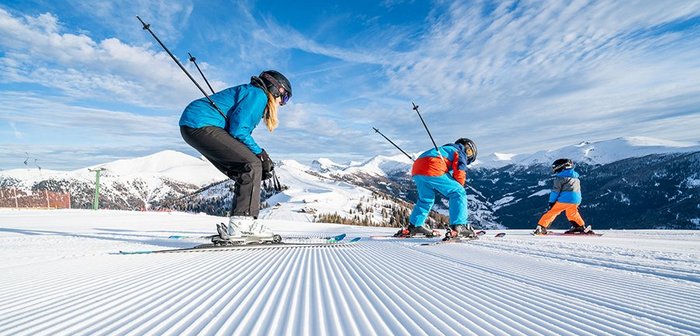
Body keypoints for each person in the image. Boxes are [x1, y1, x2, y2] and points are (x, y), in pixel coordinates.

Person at [179, 70, 292, 242]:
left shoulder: (253, 93)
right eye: (284, 98)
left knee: (245, 168)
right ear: (276, 89)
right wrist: (261, 154)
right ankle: (242, 224)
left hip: (194, 124)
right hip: (200, 123)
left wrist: (259, 159)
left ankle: (242, 222)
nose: (281, 104)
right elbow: (239, 131)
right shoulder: (259, 95)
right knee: (252, 164)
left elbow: (238, 132)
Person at [397, 138, 478, 240]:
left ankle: (415, 226)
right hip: (433, 166)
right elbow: (459, 170)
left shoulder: (444, 149)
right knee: (458, 192)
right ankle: (459, 226)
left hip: (417, 168)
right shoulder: (459, 151)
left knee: (426, 199)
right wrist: (459, 185)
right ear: (466, 147)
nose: (468, 155)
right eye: (469, 152)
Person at [533, 158, 594, 235]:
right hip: (576, 200)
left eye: (556, 167)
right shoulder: (576, 178)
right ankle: (580, 227)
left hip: (564, 199)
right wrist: (576, 201)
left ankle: (541, 227)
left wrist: (552, 202)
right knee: (572, 213)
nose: (555, 170)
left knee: (553, 212)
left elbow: (555, 191)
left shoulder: (560, 178)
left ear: (562, 167)